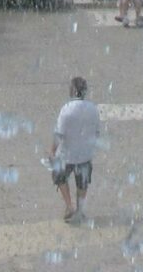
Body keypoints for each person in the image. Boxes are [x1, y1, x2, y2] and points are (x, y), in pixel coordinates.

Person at [51, 76, 102, 223]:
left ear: (72, 91)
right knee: (82, 183)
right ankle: (80, 210)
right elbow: (96, 133)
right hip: (85, 155)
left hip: (66, 155)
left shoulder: (66, 110)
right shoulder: (93, 109)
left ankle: (69, 206)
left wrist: (52, 151)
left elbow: (59, 134)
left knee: (59, 176)